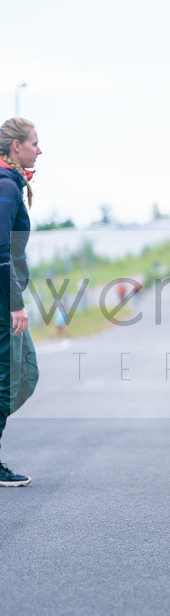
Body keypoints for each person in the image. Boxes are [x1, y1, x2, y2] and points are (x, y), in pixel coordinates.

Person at [0, 118, 41, 486]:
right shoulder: (6, 186)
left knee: (21, 375)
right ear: (16, 146)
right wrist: (15, 303)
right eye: (34, 143)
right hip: (3, 302)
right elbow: (0, 250)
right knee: (12, 378)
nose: (39, 150)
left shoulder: (9, 183)